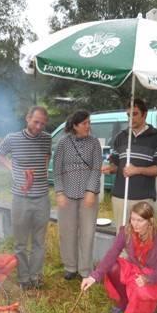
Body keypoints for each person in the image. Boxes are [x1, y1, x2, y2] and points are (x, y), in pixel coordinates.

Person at [81, 202, 157, 313]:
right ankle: (125, 300)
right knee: (112, 266)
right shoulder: (126, 232)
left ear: (150, 221)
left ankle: (145, 304)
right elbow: (112, 253)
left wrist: (147, 279)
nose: (135, 224)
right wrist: (94, 276)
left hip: (152, 276)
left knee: (141, 310)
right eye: (133, 219)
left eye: (140, 220)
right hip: (134, 270)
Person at [0, 106, 51, 290]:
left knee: (38, 241)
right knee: (20, 242)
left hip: (42, 197)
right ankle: (23, 277)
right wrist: (12, 168)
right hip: (20, 198)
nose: (39, 126)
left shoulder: (46, 139)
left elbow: (45, 160)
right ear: (27, 118)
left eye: (42, 123)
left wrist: (38, 174)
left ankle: (35, 276)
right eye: (36, 122)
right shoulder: (13, 138)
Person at [102, 99, 157, 229]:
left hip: (143, 198)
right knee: (122, 239)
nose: (130, 118)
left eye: (135, 114)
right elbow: (116, 164)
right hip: (120, 197)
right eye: (128, 115)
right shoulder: (121, 137)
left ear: (145, 114)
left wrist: (137, 170)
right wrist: (108, 168)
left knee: (144, 240)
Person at [54, 110, 102, 280]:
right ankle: (70, 266)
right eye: (84, 123)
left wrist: (90, 191)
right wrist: (59, 192)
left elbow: (97, 168)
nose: (88, 126)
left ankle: (85, 270)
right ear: (75, 126)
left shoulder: (94, 142)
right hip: (66, 194)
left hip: (88, 195)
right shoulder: (62, 143)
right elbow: (57, 171)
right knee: (67, 231)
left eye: (89, 122)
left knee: (87, 232)